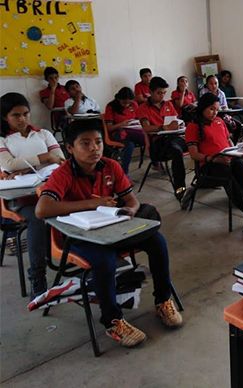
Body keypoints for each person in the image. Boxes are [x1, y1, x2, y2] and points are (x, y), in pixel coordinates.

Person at [35, 119, 183, 348]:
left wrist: (130, 211)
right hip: (78, 236)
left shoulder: (110, 166)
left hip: (113, 229)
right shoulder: (63, 173)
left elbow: (131, 200)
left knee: (157, 241)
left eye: (98, 142)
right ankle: (113, 320)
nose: (95, 148)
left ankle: (163, 300)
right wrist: (90, 205)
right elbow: (42, 209)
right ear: (70, 148)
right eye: (86, 143)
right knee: (104, 259)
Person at [0, 92, 66, 297]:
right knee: (38, 218)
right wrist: (46, 157)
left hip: (49, 190)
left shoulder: (43, 133)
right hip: (21, 198)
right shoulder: (2, 140)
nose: (22, 119)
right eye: (15, 115)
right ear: (4, 117)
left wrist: (27, 168)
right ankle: (37, 275)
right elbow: (8, 164)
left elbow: (61, 161)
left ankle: (82, 258)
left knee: (77, 206)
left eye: (25, 114)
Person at [184, 93, 243, 232]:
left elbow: (228, 141)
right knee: (231, 181)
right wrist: (213, 158)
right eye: (211, 109)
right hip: (209, 164)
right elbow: (194, 154)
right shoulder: (193, 127)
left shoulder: (219, 121)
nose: (214, 112)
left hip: (228, 158)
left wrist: (236, 150)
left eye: (216, 109)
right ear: (203, 108)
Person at [137, 77, 187, 200]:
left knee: (197, 143)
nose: (162, 96)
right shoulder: (144, 107)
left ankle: (205, 178)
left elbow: (175, 121)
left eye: (164, 93)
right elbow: (146, 128)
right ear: (151, 91)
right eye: (159, 93)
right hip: (159, 143)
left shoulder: (168, 104)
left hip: (175, 137)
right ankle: (181, 190)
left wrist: (180, 124)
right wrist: (164, 127)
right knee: (176, 151)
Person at [104, 87, 145, 174]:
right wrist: (121, 124)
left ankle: (156, 161)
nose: (126, 105)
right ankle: (124, 174)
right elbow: (109, 128)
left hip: (133, 132)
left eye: (129, 103)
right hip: (117, 133)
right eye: (124, 102)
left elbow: (138, 119)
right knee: (130, 145)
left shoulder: (134, 104)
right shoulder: (111, 107)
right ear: (119, 99)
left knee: (144, 138)